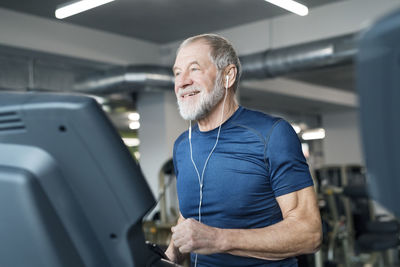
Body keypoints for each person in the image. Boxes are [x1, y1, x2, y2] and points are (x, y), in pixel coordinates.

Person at [165, 33, 322, 267]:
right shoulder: (182, 145)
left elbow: (309, 233)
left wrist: (219, 239)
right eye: (177, 73)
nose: (182, 82)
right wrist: (167, 258)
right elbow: (190, 216)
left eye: (194, 69)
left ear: (228, 76)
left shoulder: (272, 134)